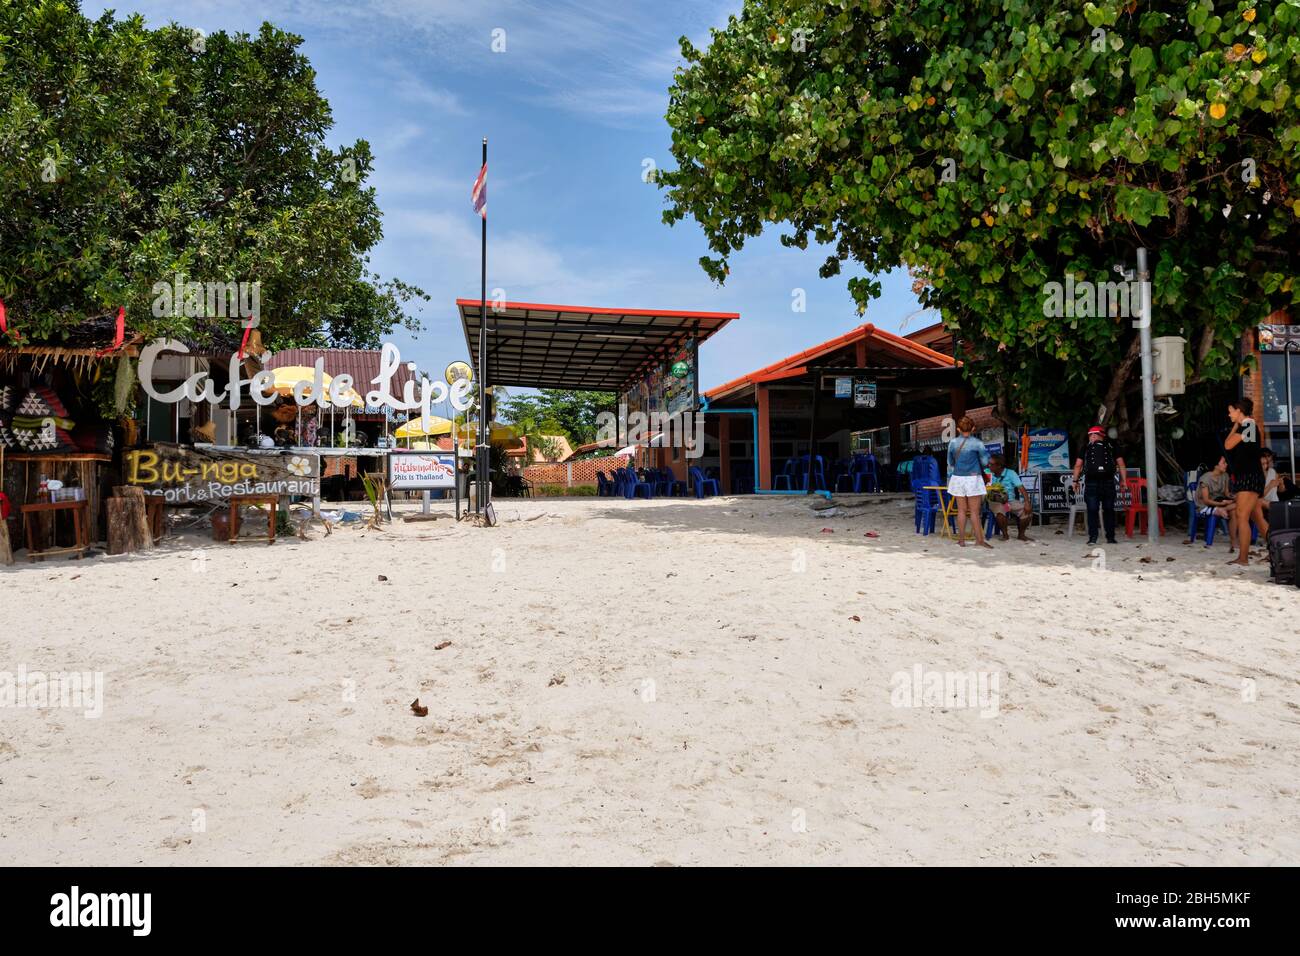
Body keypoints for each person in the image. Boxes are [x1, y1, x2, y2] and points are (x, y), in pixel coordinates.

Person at [1224, 397, 1264, 566]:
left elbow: (1227, 445)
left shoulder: (1248, 426)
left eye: (1231, 411)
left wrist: (1236, 425)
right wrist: (1236, 424)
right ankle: (1278, 548)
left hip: (1249, 478)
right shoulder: (1247, 426)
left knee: (1241, 515)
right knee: (1258, 519)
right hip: (1249, 476)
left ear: (1239, 410)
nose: (1229, 414)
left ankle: (1243, 558)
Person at [1071, 425, 1127, 546]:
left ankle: (1093, 538)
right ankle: (1110, 538)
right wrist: (1124, 480)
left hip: (1092, 483)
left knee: (1092, 510)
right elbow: (1121, 464)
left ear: (1100, 435)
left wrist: (1075, 481)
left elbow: (1077, 466)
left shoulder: (1086, 447)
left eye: (1093, 434)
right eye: (1091, 435)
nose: (1092, 436)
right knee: (1108, 510)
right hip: (1107, 482)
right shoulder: (1112, 446)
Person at [946, 416, 991, 548]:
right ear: (973, 428)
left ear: (958, 429)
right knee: (974, 512)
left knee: (961, 510)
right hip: (973, 478)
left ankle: (961, 540)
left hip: (958, 478)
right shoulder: (978, 443)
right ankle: (979, 541)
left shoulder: (953, 443)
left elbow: (950, 462)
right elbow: (984, 462)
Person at [986, 453, 1033, 541]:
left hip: (1010, 501)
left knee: (1027, 512)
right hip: (995, 501)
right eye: (988, 463)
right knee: (1000, 512)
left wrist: (1027, 502)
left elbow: (1021, 488)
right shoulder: (987, 473)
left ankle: (1021, 534)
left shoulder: (1011, 473)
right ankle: (1005, 535)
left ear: (999, 466)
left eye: (991, 464)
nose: (989, 466)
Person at [1196, 455, 1235, 546]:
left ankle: (1233, 540)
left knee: (1235, 509)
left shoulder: (1225, 475)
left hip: (1220, 501)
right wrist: (1221, 503)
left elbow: (1226, 493)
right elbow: (1206, 500)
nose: (1226, 464)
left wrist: (1234, 497)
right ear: (1216, 466)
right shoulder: (1205, 479)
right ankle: (1218, 510)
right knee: (1234, 508)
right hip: (1205, 505)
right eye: (1223, 463)